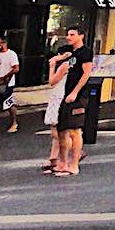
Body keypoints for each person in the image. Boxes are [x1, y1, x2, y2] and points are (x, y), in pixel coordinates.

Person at [55, 27, 93, 176]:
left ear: (81, 36)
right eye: (68, 34)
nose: (69, 37)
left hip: (78, 97)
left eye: (72, 35)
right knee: (62, 129)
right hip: (67, 94)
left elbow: (86, 73)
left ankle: (74, 165)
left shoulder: (85, 53)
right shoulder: (73, 54)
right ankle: (62, 163)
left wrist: (75, 92)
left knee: (75, 130)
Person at [40, 47, 72, 174]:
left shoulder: (65, 66)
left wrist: (52, 66)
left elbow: (52, 81)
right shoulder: (73, 65)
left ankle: (65, 158)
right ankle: (54, 158)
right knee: (58, 130)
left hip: (59, 96)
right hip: (61, 95)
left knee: (57, 130)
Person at [0, 35, 20, 134]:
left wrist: (4, 77)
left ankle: (14, 122)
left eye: (0, 43)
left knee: (8, 102)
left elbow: (16, 68)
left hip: (7, 83)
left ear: (4, 43)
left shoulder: (11, 54)